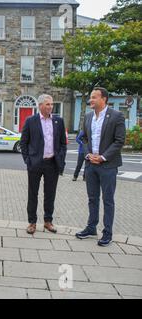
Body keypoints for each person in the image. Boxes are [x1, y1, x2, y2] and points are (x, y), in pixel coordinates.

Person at [75, 87, 126, 247]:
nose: (91, 100)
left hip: (108, 165)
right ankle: (91, 228)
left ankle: (107, 233)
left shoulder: (117, 116)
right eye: (90, 97)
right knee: (92, 198)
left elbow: (119, 141)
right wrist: (88, 155)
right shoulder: (89, 117)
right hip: (91, 164)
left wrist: (103, 157)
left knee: (108, 200)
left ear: (103, 99)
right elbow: (83, 138)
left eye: (94, 97)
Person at [20, 94, 67, 235]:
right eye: (47, 104)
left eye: (52, 104)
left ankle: (48, 221)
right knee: (33, 194)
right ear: (40, 105)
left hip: (52, 163)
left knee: (50, 194)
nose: (50, 107)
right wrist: (28, 160)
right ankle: (32, 222)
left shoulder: (58, 121)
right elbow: (24, 143)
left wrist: (61, 158)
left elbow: (63, 143)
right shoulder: (31, 121)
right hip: (35, 163)